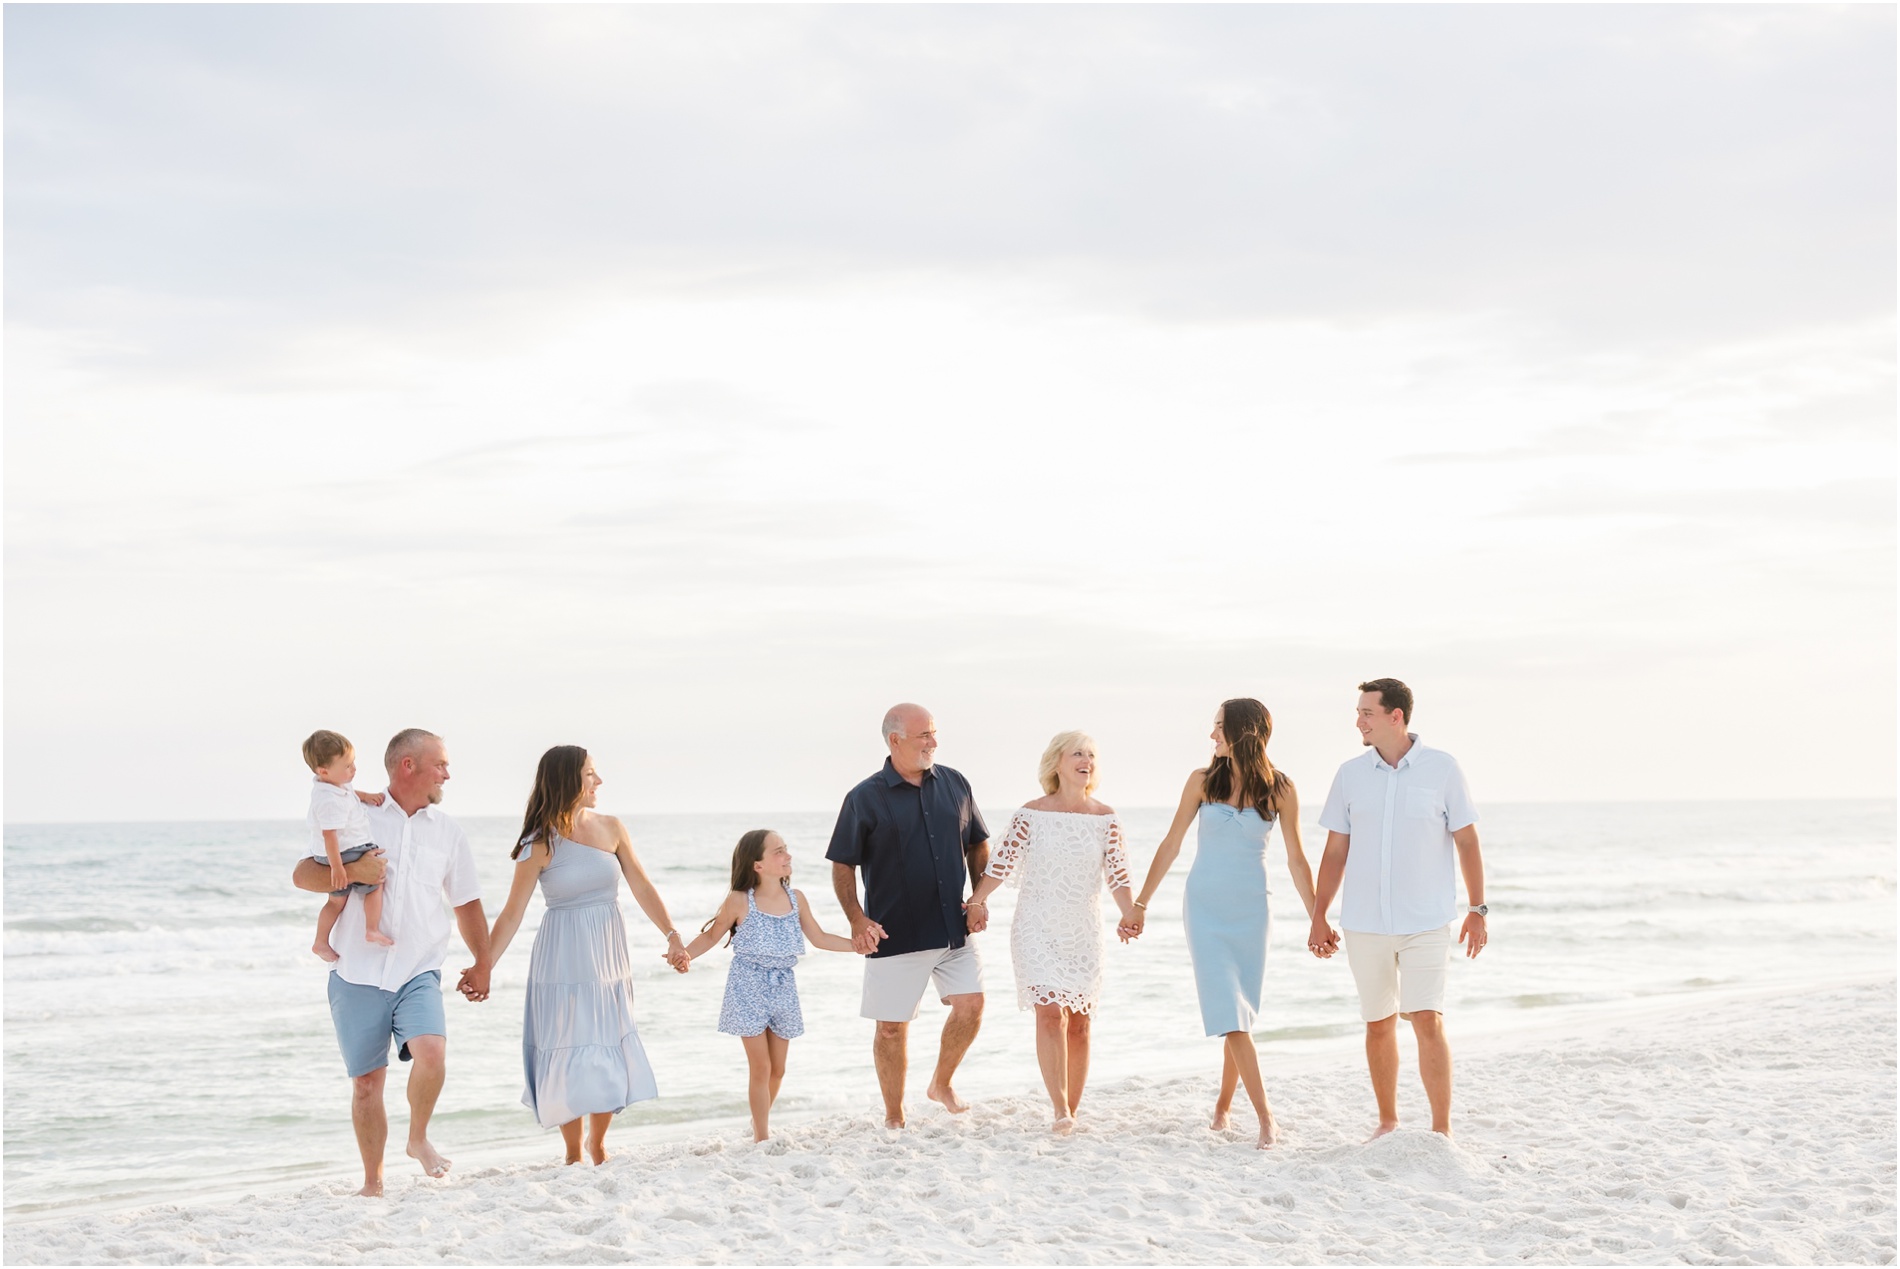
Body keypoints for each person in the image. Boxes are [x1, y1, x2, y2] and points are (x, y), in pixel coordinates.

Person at [290, 728, 492, 1197]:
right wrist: (355, 871)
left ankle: (417, 1138)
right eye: (440, 763)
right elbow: (303, 873)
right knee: (366, 1084)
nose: (447, 773)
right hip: (355, 971)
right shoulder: (354, 810)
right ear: (409, 766)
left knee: (433, 1054)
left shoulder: (448, 833)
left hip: (417, 969)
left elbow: (467, 904)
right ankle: (372, 1183)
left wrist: (483, 962)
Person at [1126, 699, 1318, 1149]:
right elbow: (1171, 843)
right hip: (1205, 909)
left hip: (1252, 911)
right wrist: (1140, 904)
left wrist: (1318, 919)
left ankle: (1223, 1107)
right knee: (1230, 1016)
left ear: (1243, 732)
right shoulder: (1201, 781)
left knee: (1241, 1014)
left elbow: (1296, 860)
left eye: (1218, 728)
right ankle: (1266, 1119)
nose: (1212, 736)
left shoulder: (1282, 789)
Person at [486, 746, 690, 1166]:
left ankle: (598, 1144)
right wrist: (482, 964)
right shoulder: (539, 842)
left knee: (604, 1043)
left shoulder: (612, 827)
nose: (598, 782)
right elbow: (511, 914)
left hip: (608, 954)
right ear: (567, 780)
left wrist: (672, 935)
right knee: (567, 1044)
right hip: (562, 954)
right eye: (590, 774)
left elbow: (642, 885)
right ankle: (572, 1152)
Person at [1306, 678, 1487, 1140]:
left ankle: (1441, 1130)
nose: (1358, 720)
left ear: (1395, 716)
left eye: (1367, 712)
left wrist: (1477, 908)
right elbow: (1334, 852)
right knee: (1378, 1023)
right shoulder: (1350, 774)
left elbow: (1466, 840)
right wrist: (1318, 915)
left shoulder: (1443, 769)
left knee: (1427, 1018)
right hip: (1364, 923)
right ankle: (1388, 1122)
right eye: (1359, 711)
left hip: (1426, 921)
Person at [827, 702, 991, 1129]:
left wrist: (978, 898)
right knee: (890, 1030)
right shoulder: (863, 797)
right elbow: (842, 864)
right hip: (894, 933)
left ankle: (941, 1083)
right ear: (895, 740)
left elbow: (977, 843)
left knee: (971, 1006)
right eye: (924, 735)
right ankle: (895, 1116)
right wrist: (856, 920)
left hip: (953, 928)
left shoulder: (955, 783)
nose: (933, 742)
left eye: (934, 734)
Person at [966, 730, 1138, 1134]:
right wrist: (977, 901)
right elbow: (1001, 865)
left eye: (1092, 755)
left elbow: (1119, 876)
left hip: (1083, 930)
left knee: (1080, 1022)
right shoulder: (1031, 814)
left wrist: (1130, 913)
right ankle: (1059, 1109)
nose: (1086, 760)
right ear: (1057, 763)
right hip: (1036, 926)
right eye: (1077, 753)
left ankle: (1072, 1110)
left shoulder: (1106, 818)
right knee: (1049, 1015)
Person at [680, 830, 861, 1142]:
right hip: (747, 985)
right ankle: (761, 1137)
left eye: (786, 850)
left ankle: (757, 1121)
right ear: (758, 865)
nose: (787, 856)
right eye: (778, 851)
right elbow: (712, 936)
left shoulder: (796, 898)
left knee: (778, 1070)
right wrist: (685, 955)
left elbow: (819, 938)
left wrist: (858, 946)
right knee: (761, 1067)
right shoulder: (738, 901)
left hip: (783, 987)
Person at [301, 729, 393, 960]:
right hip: (343, 853)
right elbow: (330, 836)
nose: (353, 769)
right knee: (377, 880)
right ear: (323, 771)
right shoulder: (328, 801)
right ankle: (371, 929)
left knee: (336, 901)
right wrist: (339, 869)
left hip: (336, 853)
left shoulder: (333, 785)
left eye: (353, 763)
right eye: (347, 766)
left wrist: (365, 796)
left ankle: (320, 942)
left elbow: (350, 793)